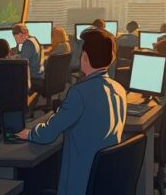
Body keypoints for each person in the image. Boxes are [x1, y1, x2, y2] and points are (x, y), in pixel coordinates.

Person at [16, 28, 126, 195]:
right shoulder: (119, 90)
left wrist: (29, 133)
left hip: (80, 185)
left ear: (85, 58)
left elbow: (48, 134)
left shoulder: (79, 93)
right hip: (104, 183)